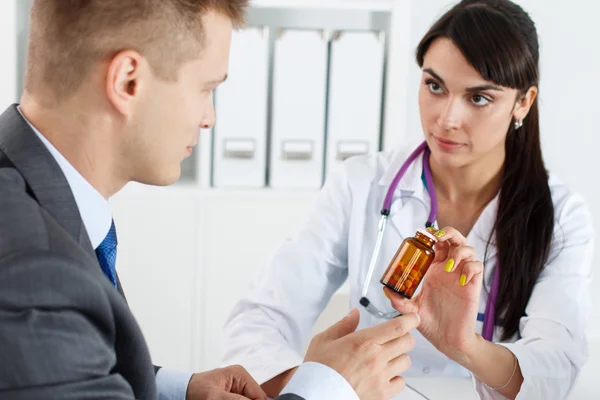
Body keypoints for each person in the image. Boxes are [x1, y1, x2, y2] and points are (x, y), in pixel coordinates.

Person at [0, 1, 420, 399]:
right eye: (206, 89)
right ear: (129, 80)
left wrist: (180, 389)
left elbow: (65, 366)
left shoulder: (34, 202)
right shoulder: (33, 267)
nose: (210, 118)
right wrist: (328, 388)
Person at [221, 0, 595, 399]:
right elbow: (260, 318)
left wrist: (464, 346)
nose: (447, 118)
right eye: (435, 86)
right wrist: (320, 388)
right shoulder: (362, 183)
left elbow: (554, 373)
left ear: (523, 101)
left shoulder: (562, 217)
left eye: (479, 98)